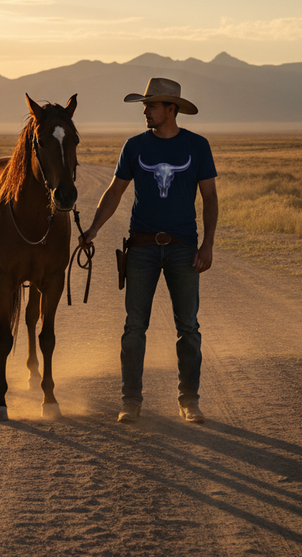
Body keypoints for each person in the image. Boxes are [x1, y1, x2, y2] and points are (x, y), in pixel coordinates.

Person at [80, 76, 218, 423]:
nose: (145, 112)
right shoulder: (134, 147)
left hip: (184, 249)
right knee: (133, 328)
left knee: (188, 328)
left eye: (151, 106)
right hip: (140, 247)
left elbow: (210, 198)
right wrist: (93, 229)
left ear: (171, 110)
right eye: (145, 106)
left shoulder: (197, 147)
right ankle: (131, 401)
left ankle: (189, 401)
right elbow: (114, 192)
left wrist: (208, 244)